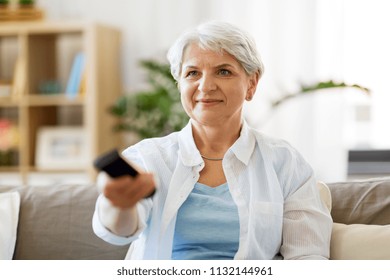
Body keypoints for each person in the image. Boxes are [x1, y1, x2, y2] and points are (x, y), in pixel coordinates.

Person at [92, 21, 333, 260]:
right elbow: (118, 233)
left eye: (223, 71)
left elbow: (307, 255)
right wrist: (121, 205)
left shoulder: (285, 162)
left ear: (251, 83)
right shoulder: (147, 157)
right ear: (180, 84)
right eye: (192, 73)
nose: (205, 86)